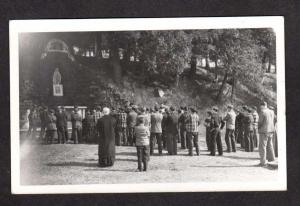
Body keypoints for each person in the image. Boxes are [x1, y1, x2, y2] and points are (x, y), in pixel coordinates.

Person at [258, 101, 275, 166]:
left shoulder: (262, 112)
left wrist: (258, 128)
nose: (260, 107)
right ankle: (272, 159)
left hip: (264, 131)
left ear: (262, 106)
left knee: (262, 146)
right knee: (270, 145)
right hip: (271, 130)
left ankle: (263, 162)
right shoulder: (272, 111)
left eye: (260, 106)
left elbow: (260, 122)